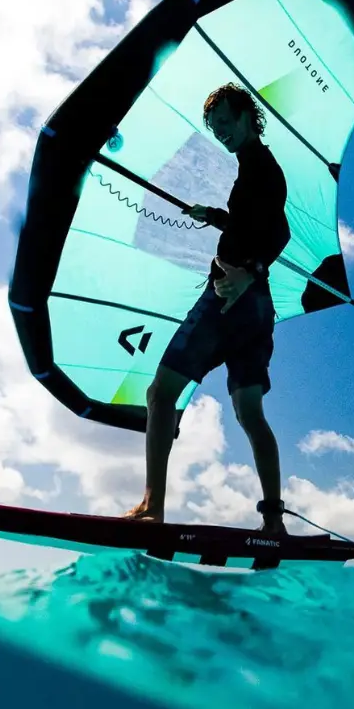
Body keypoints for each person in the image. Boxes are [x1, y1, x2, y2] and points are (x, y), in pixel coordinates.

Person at [123, 83, 292, 534]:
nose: (222, 133)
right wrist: (215, 216)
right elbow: (252, 223)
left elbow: (280, 232)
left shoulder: (261, 166)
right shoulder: (254, 167)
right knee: (250, 413)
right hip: (257, 307)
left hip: (229, 296)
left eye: (226, 123)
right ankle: (273, 523)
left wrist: (249, 271)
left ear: (247, 117)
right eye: (215, 128)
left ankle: (152, 506)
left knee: (161, 394)